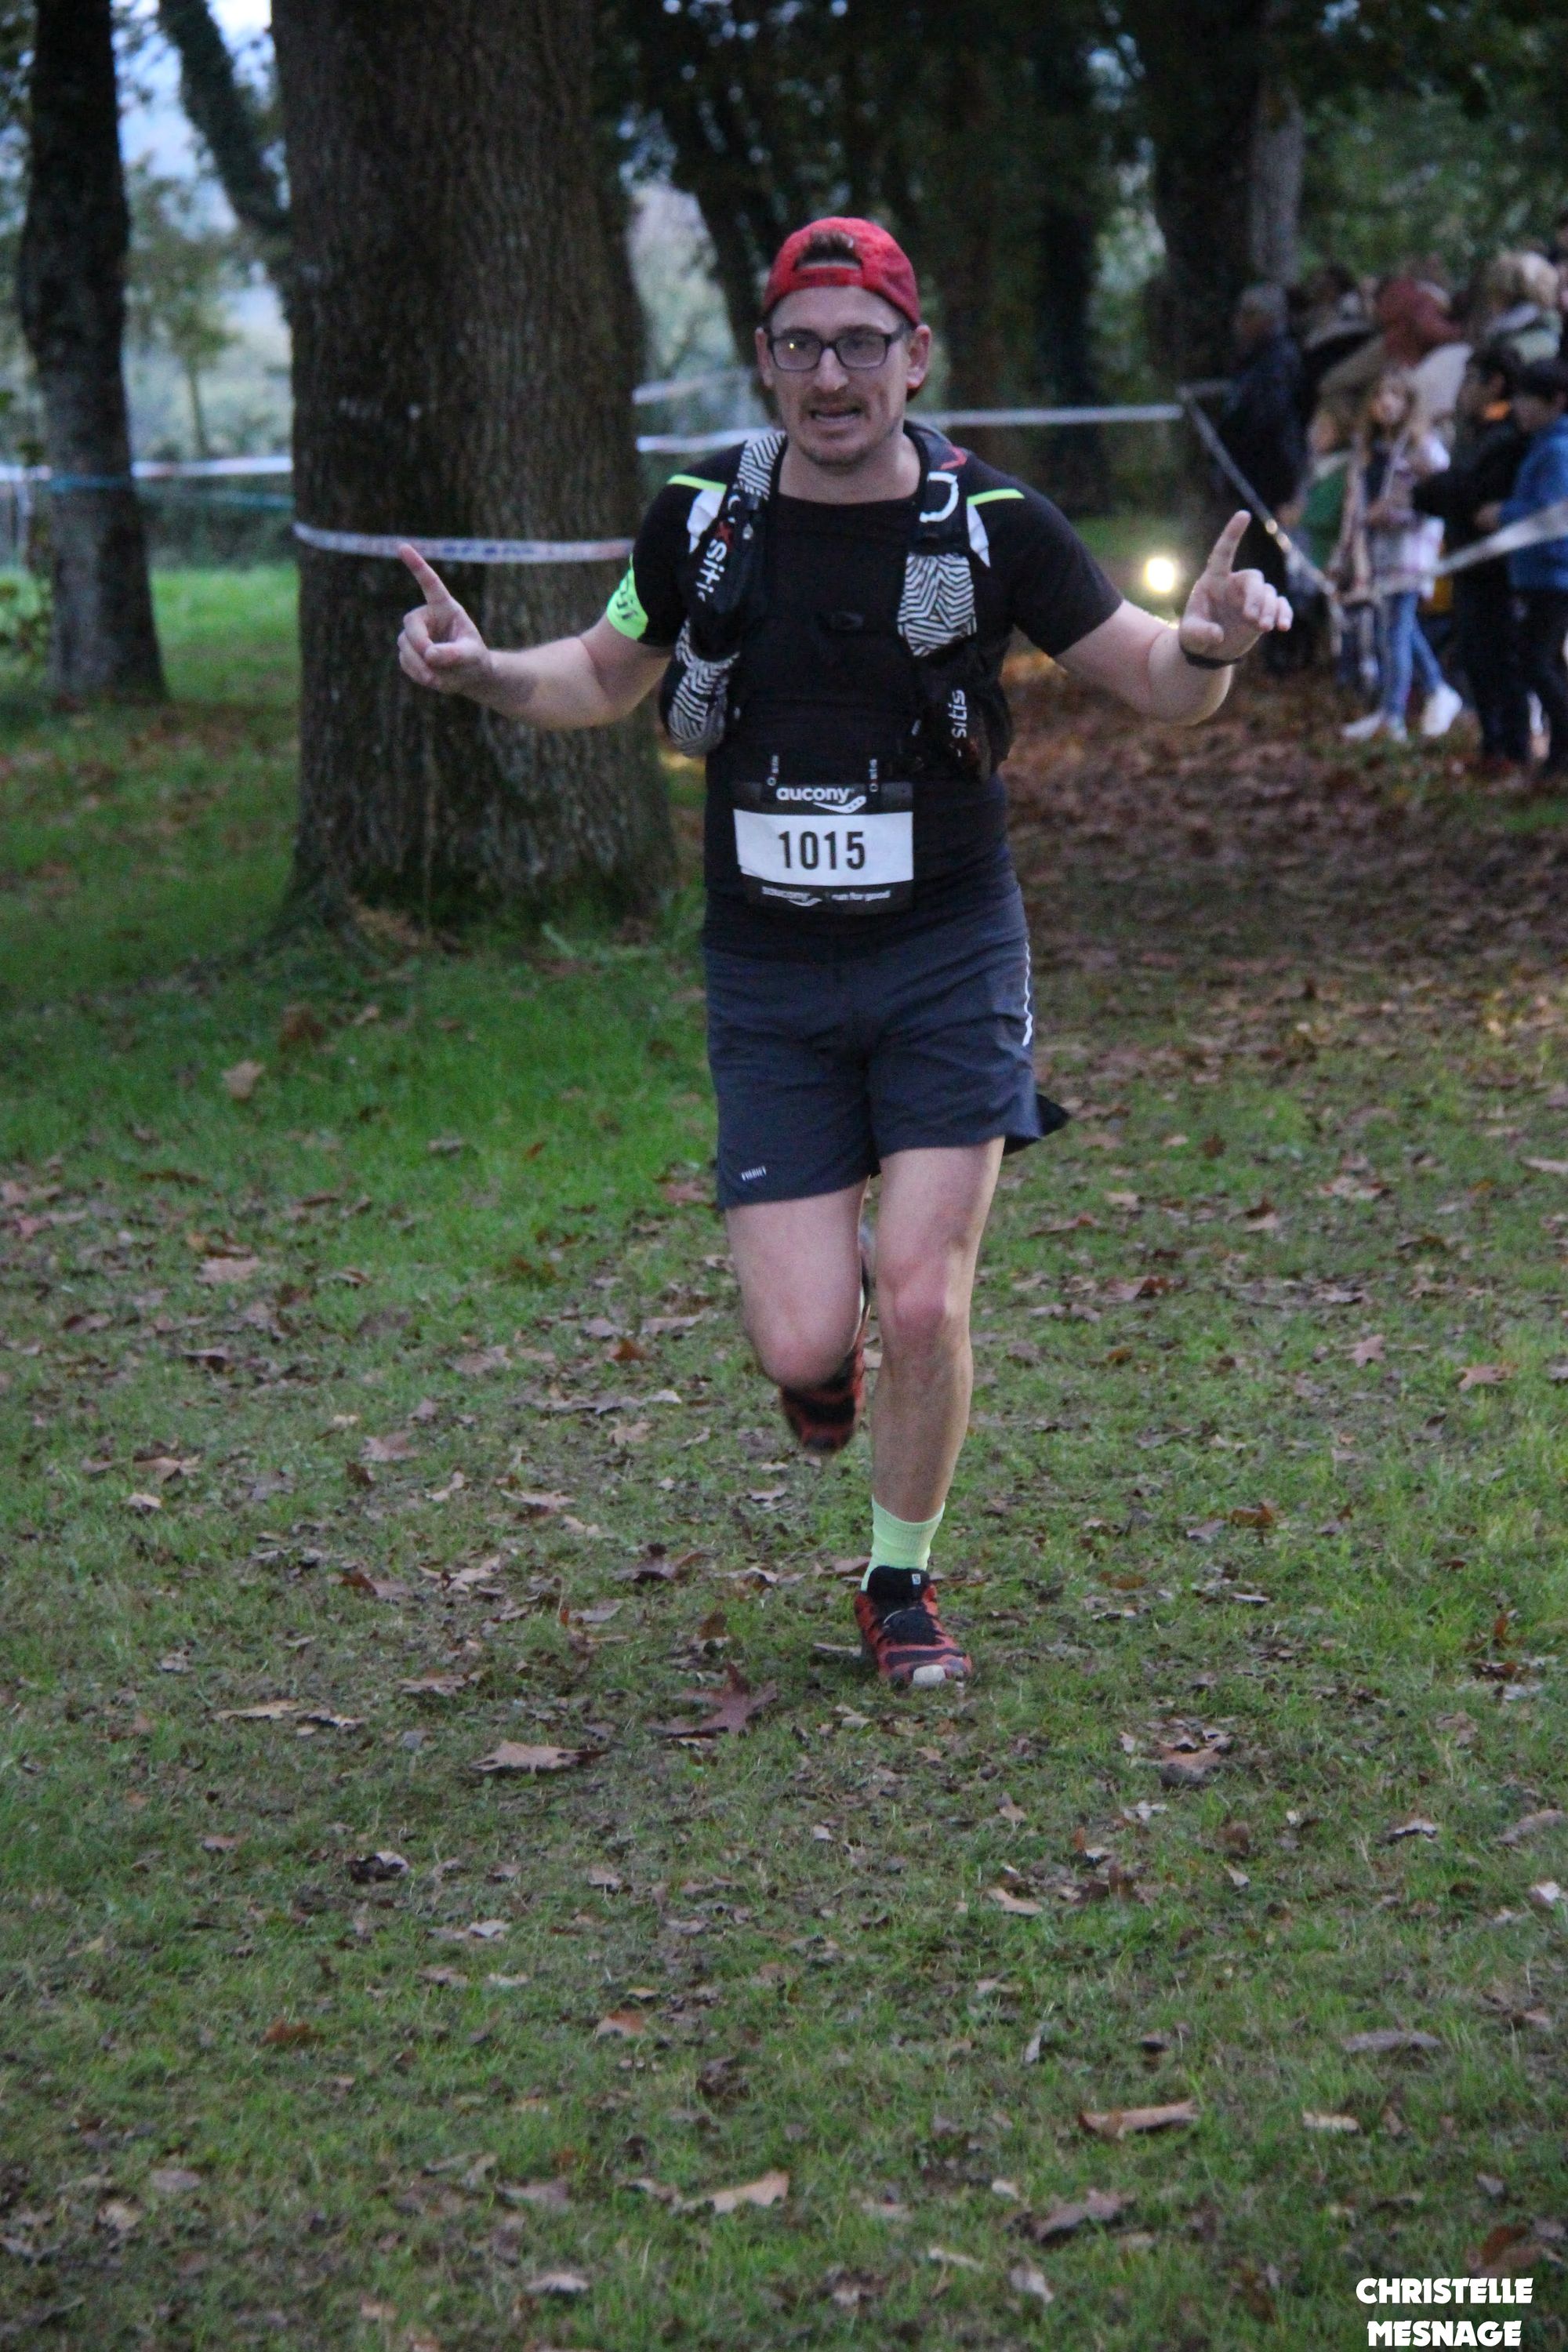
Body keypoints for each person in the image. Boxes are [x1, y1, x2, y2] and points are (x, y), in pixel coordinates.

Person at [394, 216, 1291, 1690]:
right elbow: (604, 672)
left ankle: (898, 1579)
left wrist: (1205, 644)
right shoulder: (702, 519)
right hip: (772, 979)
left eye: (860, 345)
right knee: (802, 1341)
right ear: (764, 360)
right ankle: (826, 1366)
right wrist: (486, 669)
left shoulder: (994, 521)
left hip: (948, 952)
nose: (831, 376)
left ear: (914, 357)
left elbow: (1150, 677)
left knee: (925, 1295)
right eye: (802, 346)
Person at [1411, 343, 1530, 769]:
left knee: (1501, 661)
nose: (1462, 391)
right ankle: (1492, 745)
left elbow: (1469, 492)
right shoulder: (1477, 433)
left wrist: (1433, 484)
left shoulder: (1507, 437)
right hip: (1468, 563)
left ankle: (1512, 749)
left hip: (1496, 571)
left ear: (1493, 383)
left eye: (1469, 380)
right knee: (1477, 659)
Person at [1334, 367, 1461, 743]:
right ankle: (1436, 689)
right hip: (1381, 554)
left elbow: (1440, 495)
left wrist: (1395, 513)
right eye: (1378, 395)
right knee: (1400, 628)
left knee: (1396, 632)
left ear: (1408, 403)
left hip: (1412, 551)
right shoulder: (1371, 453)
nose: (1385, 403)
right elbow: (1358, 507)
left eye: (1394, 395)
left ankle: (1393, 715)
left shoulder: (1423, 447)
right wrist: (1346, 552)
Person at [1479, 357, 1568, 782]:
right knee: (1546, 662)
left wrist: (1503, 515)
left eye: (1530, 400)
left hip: (1553, 577)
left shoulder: (1556, 451)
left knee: (1537, 663)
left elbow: (1550, 517)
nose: (1520, 408)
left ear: (1556, 401)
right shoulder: (1542, 446)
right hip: (1537, 575)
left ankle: (1561, 750)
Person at [1218, 283, 1306, 670]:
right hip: (1254, 478)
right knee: (1263, 562)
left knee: (1280, 567)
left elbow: (1267, 419)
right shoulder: (1252, 361)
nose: (1239, 324)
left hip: (1274, 480)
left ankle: (1289, 646)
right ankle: (1273, 645)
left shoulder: (1279, 360)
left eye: (1247, 315)